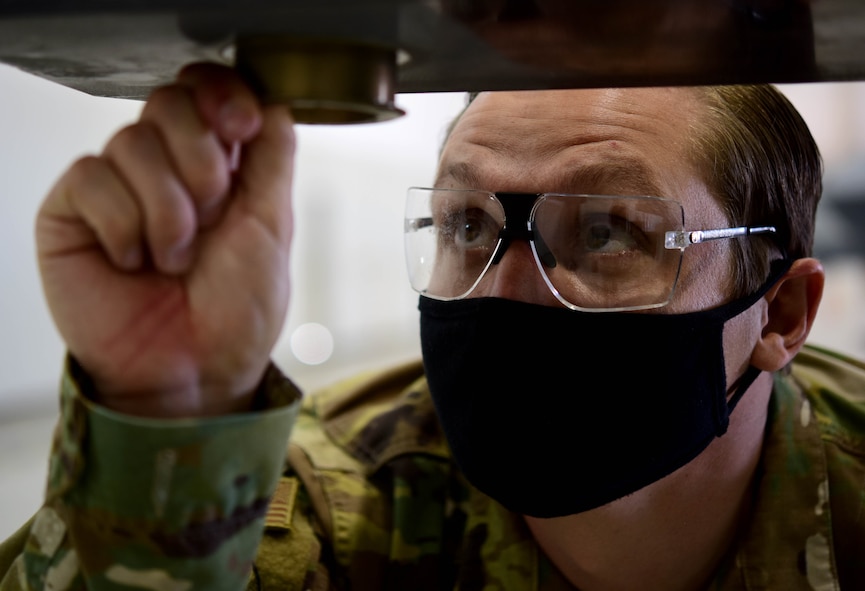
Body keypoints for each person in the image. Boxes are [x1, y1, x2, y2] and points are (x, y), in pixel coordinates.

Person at [0, 62, 863, 591]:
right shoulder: (335, 497)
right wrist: (165, 420)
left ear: (779, 313)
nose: (508, 289)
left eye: (605, 231)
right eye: (468, 225)